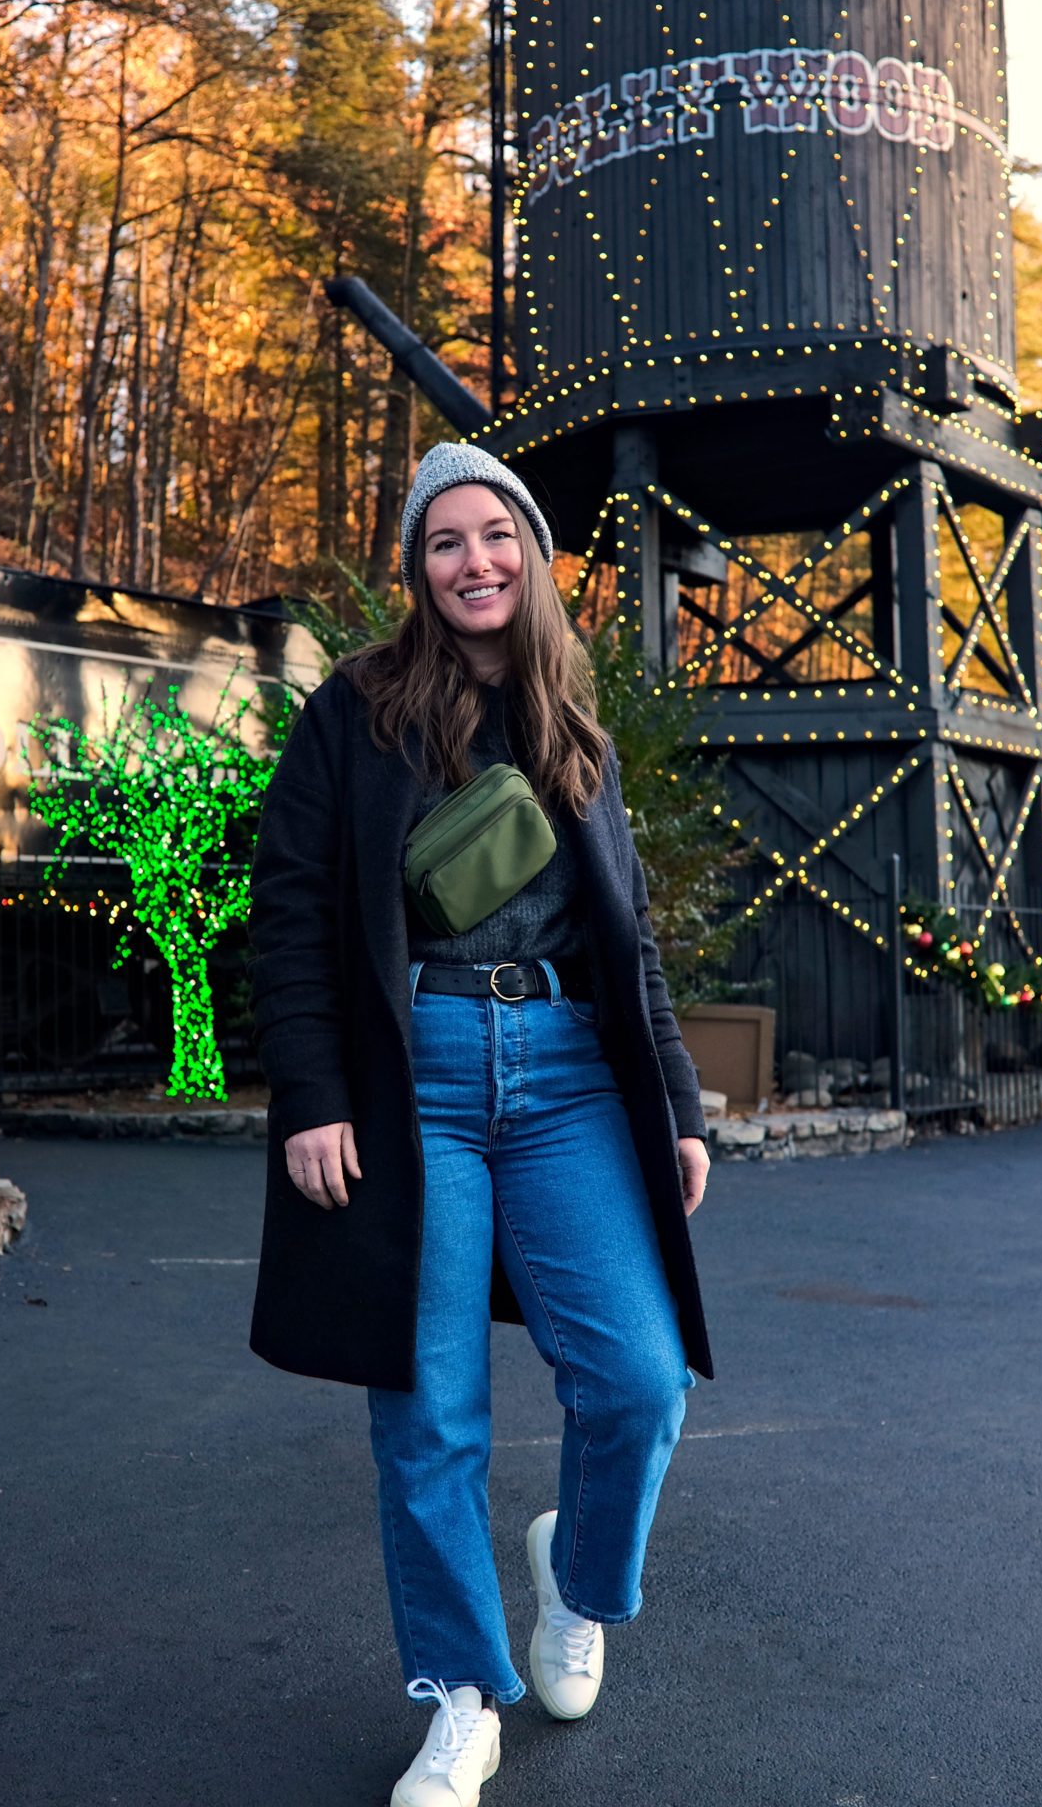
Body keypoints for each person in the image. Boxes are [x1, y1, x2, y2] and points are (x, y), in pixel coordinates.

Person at [247, 440, 714, 1807]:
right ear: (417, 566)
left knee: (636, 1382)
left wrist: (675, 1101)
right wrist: (315, 1095)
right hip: (417, 1083)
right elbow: (291, 910)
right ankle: (460, 1697)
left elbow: (631, 942)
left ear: (533, 555)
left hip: (569, 1072)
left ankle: (577, 1585)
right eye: (444, 541)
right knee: (428, 1416)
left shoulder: (574, 724)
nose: (473, 561)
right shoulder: (358, 709)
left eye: (494, 535)